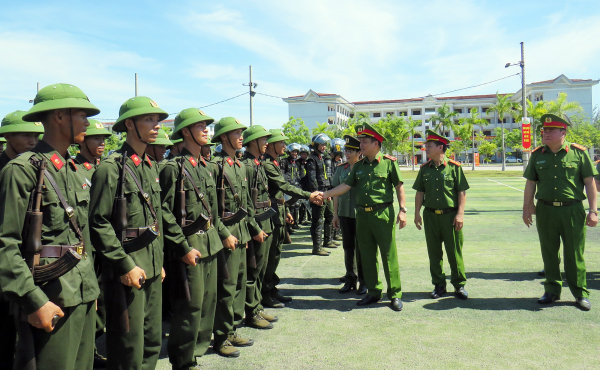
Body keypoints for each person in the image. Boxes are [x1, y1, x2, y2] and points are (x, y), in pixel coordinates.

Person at [0, 83, 101, 369]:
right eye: (81, 114)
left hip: (80, 293)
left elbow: (83, 237)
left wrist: (89, 289)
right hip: (49, 299)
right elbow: (5, 243)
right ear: (59, 116)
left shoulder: (74, 169)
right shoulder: (23, 170)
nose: (87, 122)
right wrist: (33, 301)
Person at [89, 96, 192, 369]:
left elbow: (155, 219)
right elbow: (98, 223)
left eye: (157, 120)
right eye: (149, 119)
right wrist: (124, 265)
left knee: (151, 341)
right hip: (127, 271)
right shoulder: (111, 169)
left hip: (151, 267)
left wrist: (158, 263)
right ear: (130, 124)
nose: (157, 125)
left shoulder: (149, 167)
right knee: (128, 347)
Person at [160, 108, 226, 368]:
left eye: (206, 125)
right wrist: (182, 246)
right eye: (199, 126)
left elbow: (214, 210)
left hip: (209, 242)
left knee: (208, 304)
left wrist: (220, 237)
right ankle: (183, 359)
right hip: (189, 246)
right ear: (185, 131)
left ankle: (196, 352)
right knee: (189, 308)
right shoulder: (172, 168)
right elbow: (163, 211)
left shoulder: (206, 168)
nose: (205, 129)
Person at [323, 122, 407, 312]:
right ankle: (374, 291)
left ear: (376, 144)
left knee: (388, 255)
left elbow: (399, 187)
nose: (361, 145)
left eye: (365, 142)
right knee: (367, 256)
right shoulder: (358, 166)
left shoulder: (388, 163)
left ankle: (394, 294)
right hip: (362, 215)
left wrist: (403, 210)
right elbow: (345, 186)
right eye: (360, 142)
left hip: (382, 214)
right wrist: (325, 194)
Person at [523, 113, 598, 311]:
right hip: (545, 210)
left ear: (563, 132)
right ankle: (552, 291)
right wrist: (527, 207)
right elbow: (531, 183)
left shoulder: (579, 153)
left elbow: (590, 184)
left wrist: (593, 211)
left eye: (551, 131)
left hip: (572, 210)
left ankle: (580, 293)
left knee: (574, 253)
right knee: (549, 253)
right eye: (544, 131)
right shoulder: (537, 154)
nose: (546, 134)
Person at [208, 117, 261, 357]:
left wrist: (249, 230)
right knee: (226, 288)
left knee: (239, 283)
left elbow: (246, 205)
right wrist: (225, 234)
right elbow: (212, 209)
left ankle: (232, 329)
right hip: (226, 234)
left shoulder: (238, 165)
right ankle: (221, 337)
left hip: (240, 233)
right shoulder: (215, 165)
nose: (241, 136)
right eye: (235, 132)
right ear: (223, 137)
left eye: (241, 132)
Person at [262, 130, 323, 308]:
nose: (284, 146)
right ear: (272, 145)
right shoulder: (267, 164)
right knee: (270, 256)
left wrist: (286, 209)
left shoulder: (275, 162)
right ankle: (266, 293)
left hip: (278, 210)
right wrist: (308, 195)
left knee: (276, 255)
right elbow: (283, 186)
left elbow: (280, 191)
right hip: (271, 213)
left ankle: (272, 289)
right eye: (281, 142)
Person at [72, 118, 112, 367]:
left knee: (104, 299)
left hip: (105, 246)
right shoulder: (75, 169)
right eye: (96, 138)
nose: (101, 143)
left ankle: (97, 343)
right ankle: (90, 350)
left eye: (104, 139)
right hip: (86, 247)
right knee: (89, 301)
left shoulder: (106, 168)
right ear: (83, 141)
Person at [413, 130, 469, 300]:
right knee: (434, 252)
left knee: (454, 252)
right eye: (425, 146)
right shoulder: (424, 169)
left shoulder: (454, 168)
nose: (425, 149)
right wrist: (416, 213)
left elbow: (461, 192)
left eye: (429, 146)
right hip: (430, 216)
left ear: (440, 147)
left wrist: (460, 213)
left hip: (450, 216)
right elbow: (420, 193)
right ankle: (439, 285)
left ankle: (459, 285)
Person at [241, 125, 279, 329]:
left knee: (261, 270)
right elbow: (246, 202)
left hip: (265, 220)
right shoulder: (246, 165)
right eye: (263, 139)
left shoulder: (257, 163)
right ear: (253, 141)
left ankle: (256, 307)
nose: (266, 143)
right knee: (253, 271)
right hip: (256, 222)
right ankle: (251, 311)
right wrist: (254, 227)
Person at [331, 135, 366, 294]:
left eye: (351, 150)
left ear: (359, 152)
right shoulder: (341, 169)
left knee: (362, 248)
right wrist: (335, 214)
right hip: (345, 213)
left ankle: (364, 281)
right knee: (348, 247)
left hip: (361, 214)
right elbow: (336, 193)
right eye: (346, 150)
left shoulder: (364, 168)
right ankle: (350, 278)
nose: (348, 153)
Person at [306, 134, 335, 256]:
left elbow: (325, 177)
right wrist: (318, 194)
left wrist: (328, 192)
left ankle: (327, 241)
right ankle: (317, 248)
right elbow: (312, 179)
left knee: (330, 215)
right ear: (316, 145)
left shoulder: (322, 158)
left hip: (325, 192)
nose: (324, 147)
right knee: (317, 221)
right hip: (318, 194)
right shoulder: (312, 159)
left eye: (324, 144)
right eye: (321, 144)